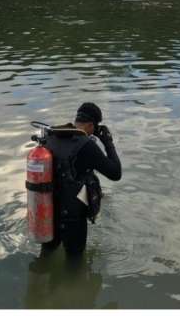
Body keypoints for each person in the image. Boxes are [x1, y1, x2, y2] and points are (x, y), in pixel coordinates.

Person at [43, 102, 121, 256]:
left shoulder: (52, 136)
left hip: (47, 212)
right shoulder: (86, 145)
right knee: (75, 263)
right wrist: (108, 142)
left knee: (46, 255)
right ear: (92, 125)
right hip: (73, 218)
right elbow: (115, 173)